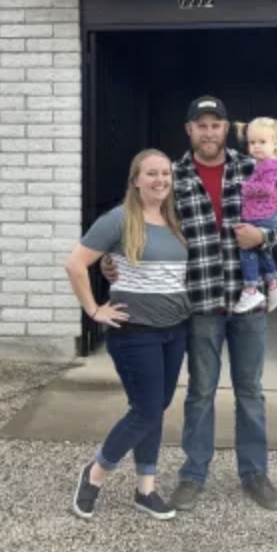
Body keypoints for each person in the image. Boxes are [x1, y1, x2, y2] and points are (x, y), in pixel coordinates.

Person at [102, 94, 277, 512]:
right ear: (189, 130)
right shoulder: (174, 176)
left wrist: (263, 238)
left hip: (250, 303)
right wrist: (110, 261)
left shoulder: (253, 167)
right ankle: (193, 473)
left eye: (216, 124)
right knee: (201, 392)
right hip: (202, 304)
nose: (209, 132)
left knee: (250, 391)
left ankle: (255, 472)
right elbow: (142, 224)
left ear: (228, 129)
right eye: (201, 125)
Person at [63, 149, 191, 521]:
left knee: (152, 410)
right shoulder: (119, 219)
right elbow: (75, 263)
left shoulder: (175, 220)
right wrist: (93, 309)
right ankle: (95, 473)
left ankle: (146, 490)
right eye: (151, 173)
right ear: (136, 180)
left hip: (174, 331)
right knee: (148, 410)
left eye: (165, 173)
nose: (160, 180)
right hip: (136, 335)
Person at [231, 116, 277, 314]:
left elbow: (267, 189)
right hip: (260, 213)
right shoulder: (261, 164)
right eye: (252, 142)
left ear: (275, 143)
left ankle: (251, 288)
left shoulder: (271, 165)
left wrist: (246, 187)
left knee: (246, 248)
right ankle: (273, 284)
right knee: (261, 251)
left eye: (262, 142)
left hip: (263, 215)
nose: (256, 147)